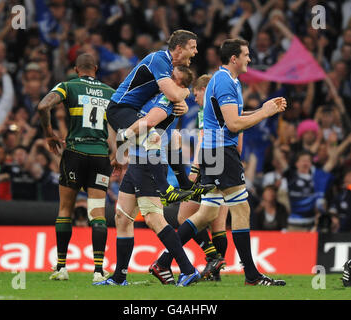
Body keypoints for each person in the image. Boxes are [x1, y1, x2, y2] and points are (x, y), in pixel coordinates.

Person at [152, 38, 287, 286]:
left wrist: (262, 109)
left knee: (207, 212)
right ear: (234, 58)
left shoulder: (227, 80)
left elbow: (229, 119)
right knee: (241, 209)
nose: (249, 59)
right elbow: (234, 125)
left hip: (214, 152)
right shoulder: (225, 81)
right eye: (246, 55)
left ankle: (162, 262)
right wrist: (264, 112)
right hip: (222, 152)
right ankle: (252, 276)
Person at [94, 66, 200, 287]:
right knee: (122, 218)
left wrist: (123, 137)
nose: (168, 80)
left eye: (174, 79)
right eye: (169, 76)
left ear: (180, 86)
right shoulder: (158, 94)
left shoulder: (167, 102)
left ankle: (188, 270)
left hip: (149, 164)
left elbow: (149, 126)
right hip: (136, 161)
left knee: (153, 219)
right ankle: (119, 277)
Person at [37, 53, 115, 283]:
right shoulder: (110, 93)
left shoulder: (68, 86)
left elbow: (43, 106)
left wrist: (49, 134)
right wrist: (119, 155)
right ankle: (99, 271)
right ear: (96, 69)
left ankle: (61, 267)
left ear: (76, 68)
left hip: (74, 152)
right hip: (100, 155)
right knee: (97, 213)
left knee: (65, 209)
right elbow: (121, 126)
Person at [106, 29, 201, 205]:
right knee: (152, 135)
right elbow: (173, 95)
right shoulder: (159, 59)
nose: (196, 51)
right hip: (120, 108)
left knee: (172, 137)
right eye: (193, 47)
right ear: (179, 48)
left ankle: (186, 185)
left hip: (134, 110)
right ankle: (165, 190)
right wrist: (187, 92)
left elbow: (173, 97)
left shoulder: (167, 66)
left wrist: (183, 103)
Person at [152, 74, 229, 283]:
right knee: (218, 223)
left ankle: (211, 257)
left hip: (208, 167)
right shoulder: (226, 107)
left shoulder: (208, 110)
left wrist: (195, 167)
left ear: (204, 90)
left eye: (196, 94)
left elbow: (204, 139)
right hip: (226, 165)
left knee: (184, 217)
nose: (195, 99)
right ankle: (215, 271)